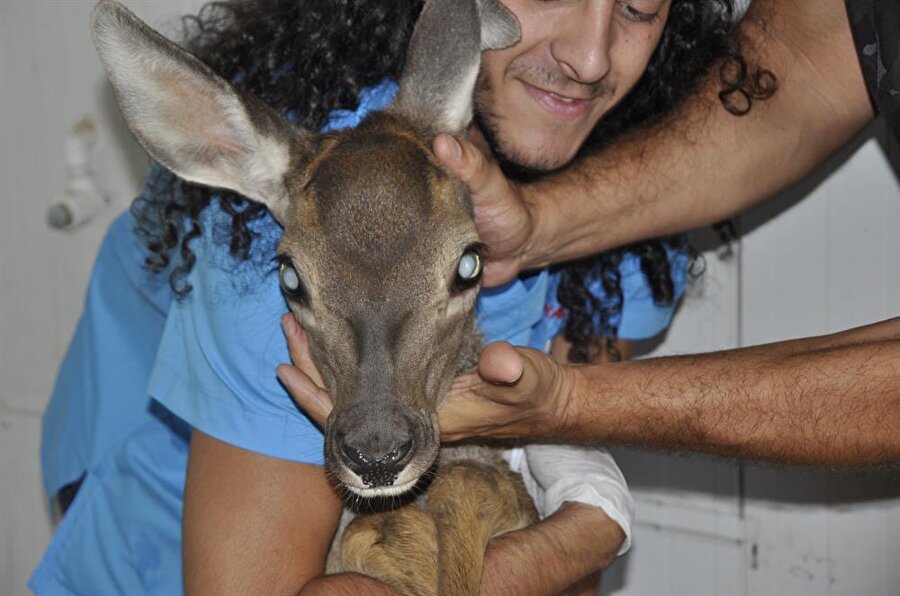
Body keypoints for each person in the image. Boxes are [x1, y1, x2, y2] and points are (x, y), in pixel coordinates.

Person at [31, 1, 754, 594]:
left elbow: (561, 472)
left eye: (638, 7)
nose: (592, 58)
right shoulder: (298, 232)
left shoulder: (626, 184)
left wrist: (578, 517)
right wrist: (587, 527)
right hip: (158, 552)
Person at [284, 0, 900, 468]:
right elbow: (802, 78)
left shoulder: (629, 255)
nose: (592, 59)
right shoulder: (323, 217)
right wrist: (539, 228)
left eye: (638, 8)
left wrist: (575, 419)